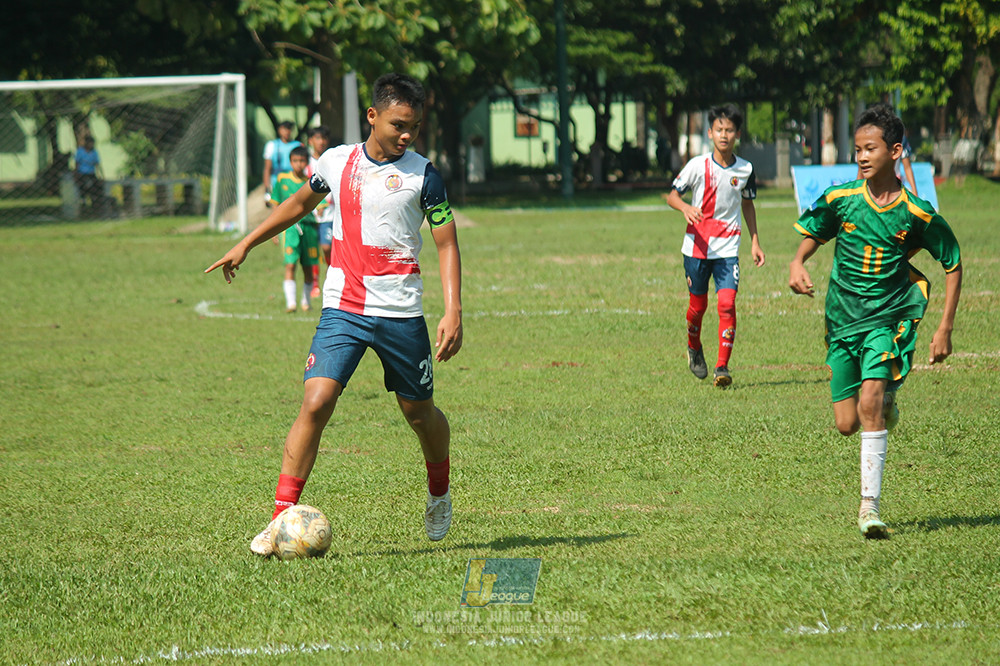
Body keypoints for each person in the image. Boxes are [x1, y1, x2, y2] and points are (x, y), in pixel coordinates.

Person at [206, 73, 463, 555]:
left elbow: (446, 242)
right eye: (398, 124)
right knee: (316, 401)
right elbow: (299, 204)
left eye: (415, 126)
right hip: (343, 307)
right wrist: (246, 243)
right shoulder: (336, 161)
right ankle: (281, 518)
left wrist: (454, 310)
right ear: (373, 116)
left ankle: (438, 490)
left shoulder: (424, 174)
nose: (407, 134)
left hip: (401, 313)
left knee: (419, 413)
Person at [789, 103, 962, 539]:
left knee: (869, 403)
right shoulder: (842, 199)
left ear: (896, 150)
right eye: (858, 149)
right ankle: (885, 405)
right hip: (842, 322)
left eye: (871, 148)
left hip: (887, 319)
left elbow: (952, 263)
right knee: (846, 423)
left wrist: (944, 328)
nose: (862, 156)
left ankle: (869, 507)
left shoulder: (915, 212)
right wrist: (797, 262)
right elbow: (815, 232)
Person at [665, 104, 765, 388]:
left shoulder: (745, 169)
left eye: (729, 130)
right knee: (697, 307)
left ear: (737, 134)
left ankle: (722, 366)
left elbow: (748, 204)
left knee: (727, 303)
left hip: (728, 248)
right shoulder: (698, 165)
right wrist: (685, 207)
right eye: (719, 129)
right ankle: (694, 348)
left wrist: (755, 241)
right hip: (696, 247)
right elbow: (672, 196)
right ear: (710, 133)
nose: (724, 134)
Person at [271, 145, 320, 313]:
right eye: (295, 161)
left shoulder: (311, 182)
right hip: (290, 228)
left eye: (301, 161)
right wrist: (274, 229)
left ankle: (306, 302)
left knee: (308, 267)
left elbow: (320, 202)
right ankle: (291, 303)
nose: (298, 164)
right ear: (290, 162)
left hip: (309, 228)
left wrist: (320, 208)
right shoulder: (282, 179)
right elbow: (276, 204)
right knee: (290, 264)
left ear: (307, 162)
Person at [306, 125, 335, 299]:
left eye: (324, 138)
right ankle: (315, 284)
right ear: (311, 141)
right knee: (311, 251)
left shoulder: (331, 161)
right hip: (309, 216)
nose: (321, 142)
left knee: (326, 247)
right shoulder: (305, 162)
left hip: (329, 215)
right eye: (317, 138)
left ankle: (331, 279)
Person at [262, 120, 302, 207]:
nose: (287, 132)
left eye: (289, 129)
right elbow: (267, 168)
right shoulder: (272, 145)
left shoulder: (298, 145)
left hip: (294, 183)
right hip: (277, 184)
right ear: (279, 130)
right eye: (284, 129)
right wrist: (267, 191)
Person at [73, 135, 109, 215]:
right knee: (84, 187)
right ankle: (83, 204)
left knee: (98, 187)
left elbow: (98, 165)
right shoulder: (80, 151)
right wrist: (75, 175)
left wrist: (102, 176)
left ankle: (96, 205)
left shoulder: (94, 152)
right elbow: (76, 164)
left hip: (91, 174)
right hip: (82, 174)